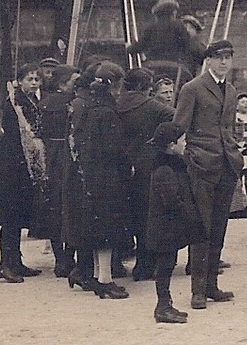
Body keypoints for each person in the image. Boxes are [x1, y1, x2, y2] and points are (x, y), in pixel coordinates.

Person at [172, 39, 242, 308]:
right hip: (201, 165)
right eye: (219, 57)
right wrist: (188, 157)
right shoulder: (193, 89)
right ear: (208, 60)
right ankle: (197, 290)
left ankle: (212, 285)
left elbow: (229, 128)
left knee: (219, 227)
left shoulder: (232, 91)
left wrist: (235, 149)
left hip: (226, 165)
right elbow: (179, 126)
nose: (224, 62)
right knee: (201, 227)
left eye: (228, 57)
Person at [65, 60, 131, 299]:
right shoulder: (107, 112)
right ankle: (105, 280)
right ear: (114, 85)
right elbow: (113, 150)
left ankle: (93, 274)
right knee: (107, 231)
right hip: (107, 177)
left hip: (88, 177)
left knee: (95, 229)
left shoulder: (87, 107)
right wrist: (127, 167)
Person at [0, 64, 51, 283]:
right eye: (29, 79)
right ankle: (5, 264)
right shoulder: (13, 103)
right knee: (10, 215)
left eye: (37, 79)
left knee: (18, 213)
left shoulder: (30, 100)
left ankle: (15, 261)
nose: (34, 83)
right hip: (12, 162)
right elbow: (16, 130)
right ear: (20, 81)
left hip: (24, 162)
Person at [115, 66, 174, 282]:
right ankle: (144, 265)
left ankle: (115, 263)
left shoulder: (116, 102)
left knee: (122, 215)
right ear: (144, 87)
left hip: (119, 166)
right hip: (146, 166)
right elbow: (176, 118)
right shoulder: (151, 106)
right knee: (145, 216)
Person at [146, 121, 205, 323]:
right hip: (165, 228)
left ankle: (165, 304)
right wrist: (188, 215)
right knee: (165, 265)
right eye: (183, 141)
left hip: (169, 227)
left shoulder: (172, 165)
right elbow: (170, 200)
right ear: (172, 145)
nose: (185, 144)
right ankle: (162, 306)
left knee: (168, 264)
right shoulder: (164, 169)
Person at [36, 63, 77, 279]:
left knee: (54, 208)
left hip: (49, 155)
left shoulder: (43, 103)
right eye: (73, 82)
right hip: (66, 155)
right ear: (63, 83)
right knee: (69, 206)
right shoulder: (71, 103)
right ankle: (68, 259)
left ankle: (60, 259)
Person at [129, 0, 206, 84]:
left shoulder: (150, 27)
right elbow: (189, 46)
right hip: (174, 68)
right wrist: (203, 55)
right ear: (173, 12)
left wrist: (130, 47)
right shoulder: (178, 26)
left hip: (152, 67)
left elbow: (138, 47)